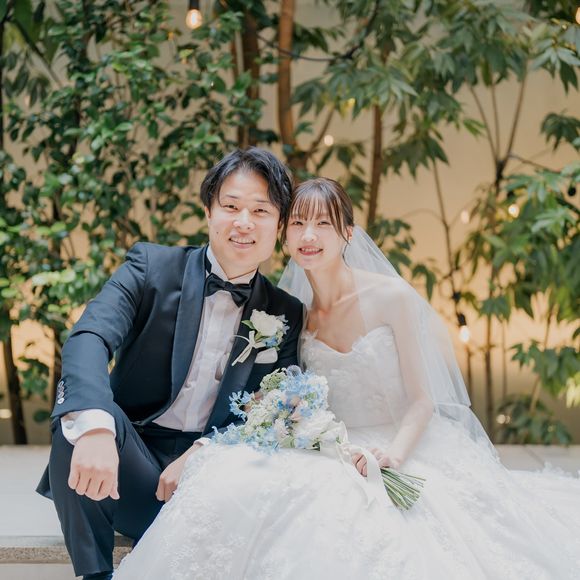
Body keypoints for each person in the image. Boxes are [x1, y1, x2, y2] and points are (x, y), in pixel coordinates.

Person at [113, 178, 580, 579]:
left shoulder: (392, 298)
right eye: (298, 223)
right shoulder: (293, 314)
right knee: (247, 483)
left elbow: (422, 401)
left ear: (348, 233)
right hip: (335, 445)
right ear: (284, 234)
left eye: (323, 224)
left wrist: (393, 456)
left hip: (401, 442)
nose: (308, 235)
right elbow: (287, 395)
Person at [36, 148, 304, 580]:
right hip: (129, 469)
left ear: (279, 225)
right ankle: (95, 575)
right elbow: (90, 337)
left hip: (216, 482)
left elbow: (272, 411)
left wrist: (204, 454)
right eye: (231, 206)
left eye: (260, 211)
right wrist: (98, 429)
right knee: (82, 418)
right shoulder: (151, 267)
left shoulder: (284, 312)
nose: (243, 222)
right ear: (208, 211)